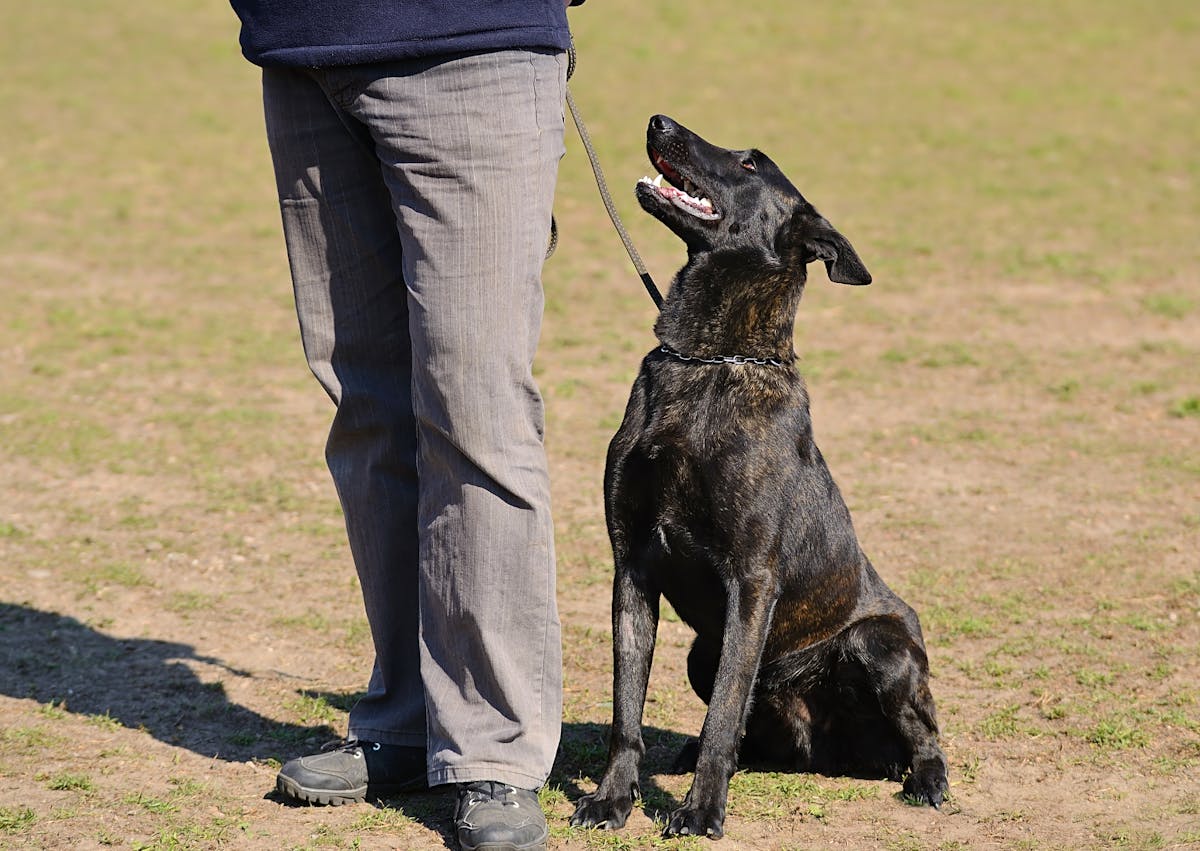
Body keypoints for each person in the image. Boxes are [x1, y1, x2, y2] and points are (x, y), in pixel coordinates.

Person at [226, 2, 585, 849]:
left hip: (474, 47)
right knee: (367, 409)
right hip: (303, 51)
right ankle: (409, 715)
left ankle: (494, 747)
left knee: (475, 412)